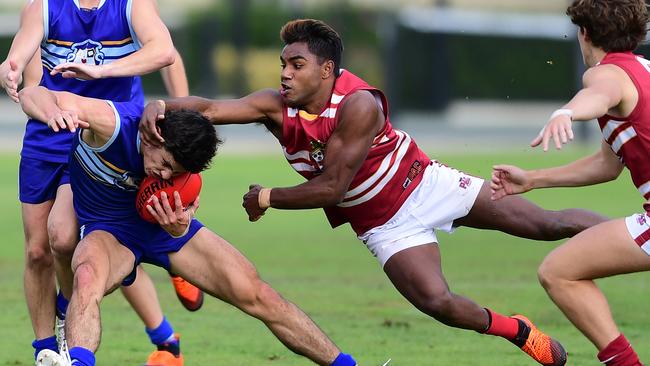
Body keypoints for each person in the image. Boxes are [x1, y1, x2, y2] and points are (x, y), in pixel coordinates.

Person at [140, 19, 611, 366]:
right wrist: (156, 105)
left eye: (296, 64)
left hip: (427, 185)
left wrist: (266, 197)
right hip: (382, 224)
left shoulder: (359, 104)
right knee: (438, 303)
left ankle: (632, 236)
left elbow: (332, 188)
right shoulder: (274, 107)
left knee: (548, 225)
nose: (284, 73)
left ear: (326, 70)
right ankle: (518, 329)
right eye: (283, 63)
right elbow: (207, 107)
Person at [17, 84, 359, 366]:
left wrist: (181, 225)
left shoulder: (181, 169)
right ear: (155, 135)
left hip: (165, 231)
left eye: (176, 172)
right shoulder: (111, 124)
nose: (165, 175)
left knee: (256, 293)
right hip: (109, 230)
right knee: (87, 278)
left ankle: (345, 364)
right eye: (165, 163)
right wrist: (53, 113)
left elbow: (184, 203)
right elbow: (35, 93)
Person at [0, 0, 202, 364]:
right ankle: (54, 348)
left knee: (89, 239)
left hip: (109, 141)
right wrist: (11, 67)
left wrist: (179, 113)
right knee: (43, 250)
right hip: (52, 132)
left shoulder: (132, 7)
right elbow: (29, 83)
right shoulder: (42, 9)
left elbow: (166, 53)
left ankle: (158, 315)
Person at [490, 1, 650, 365]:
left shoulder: (605, 74)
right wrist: (533, 178)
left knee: (559, 272)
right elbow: (608, 165)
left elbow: (599, 93)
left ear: (584, 33)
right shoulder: (641, 68)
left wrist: (567, 111)